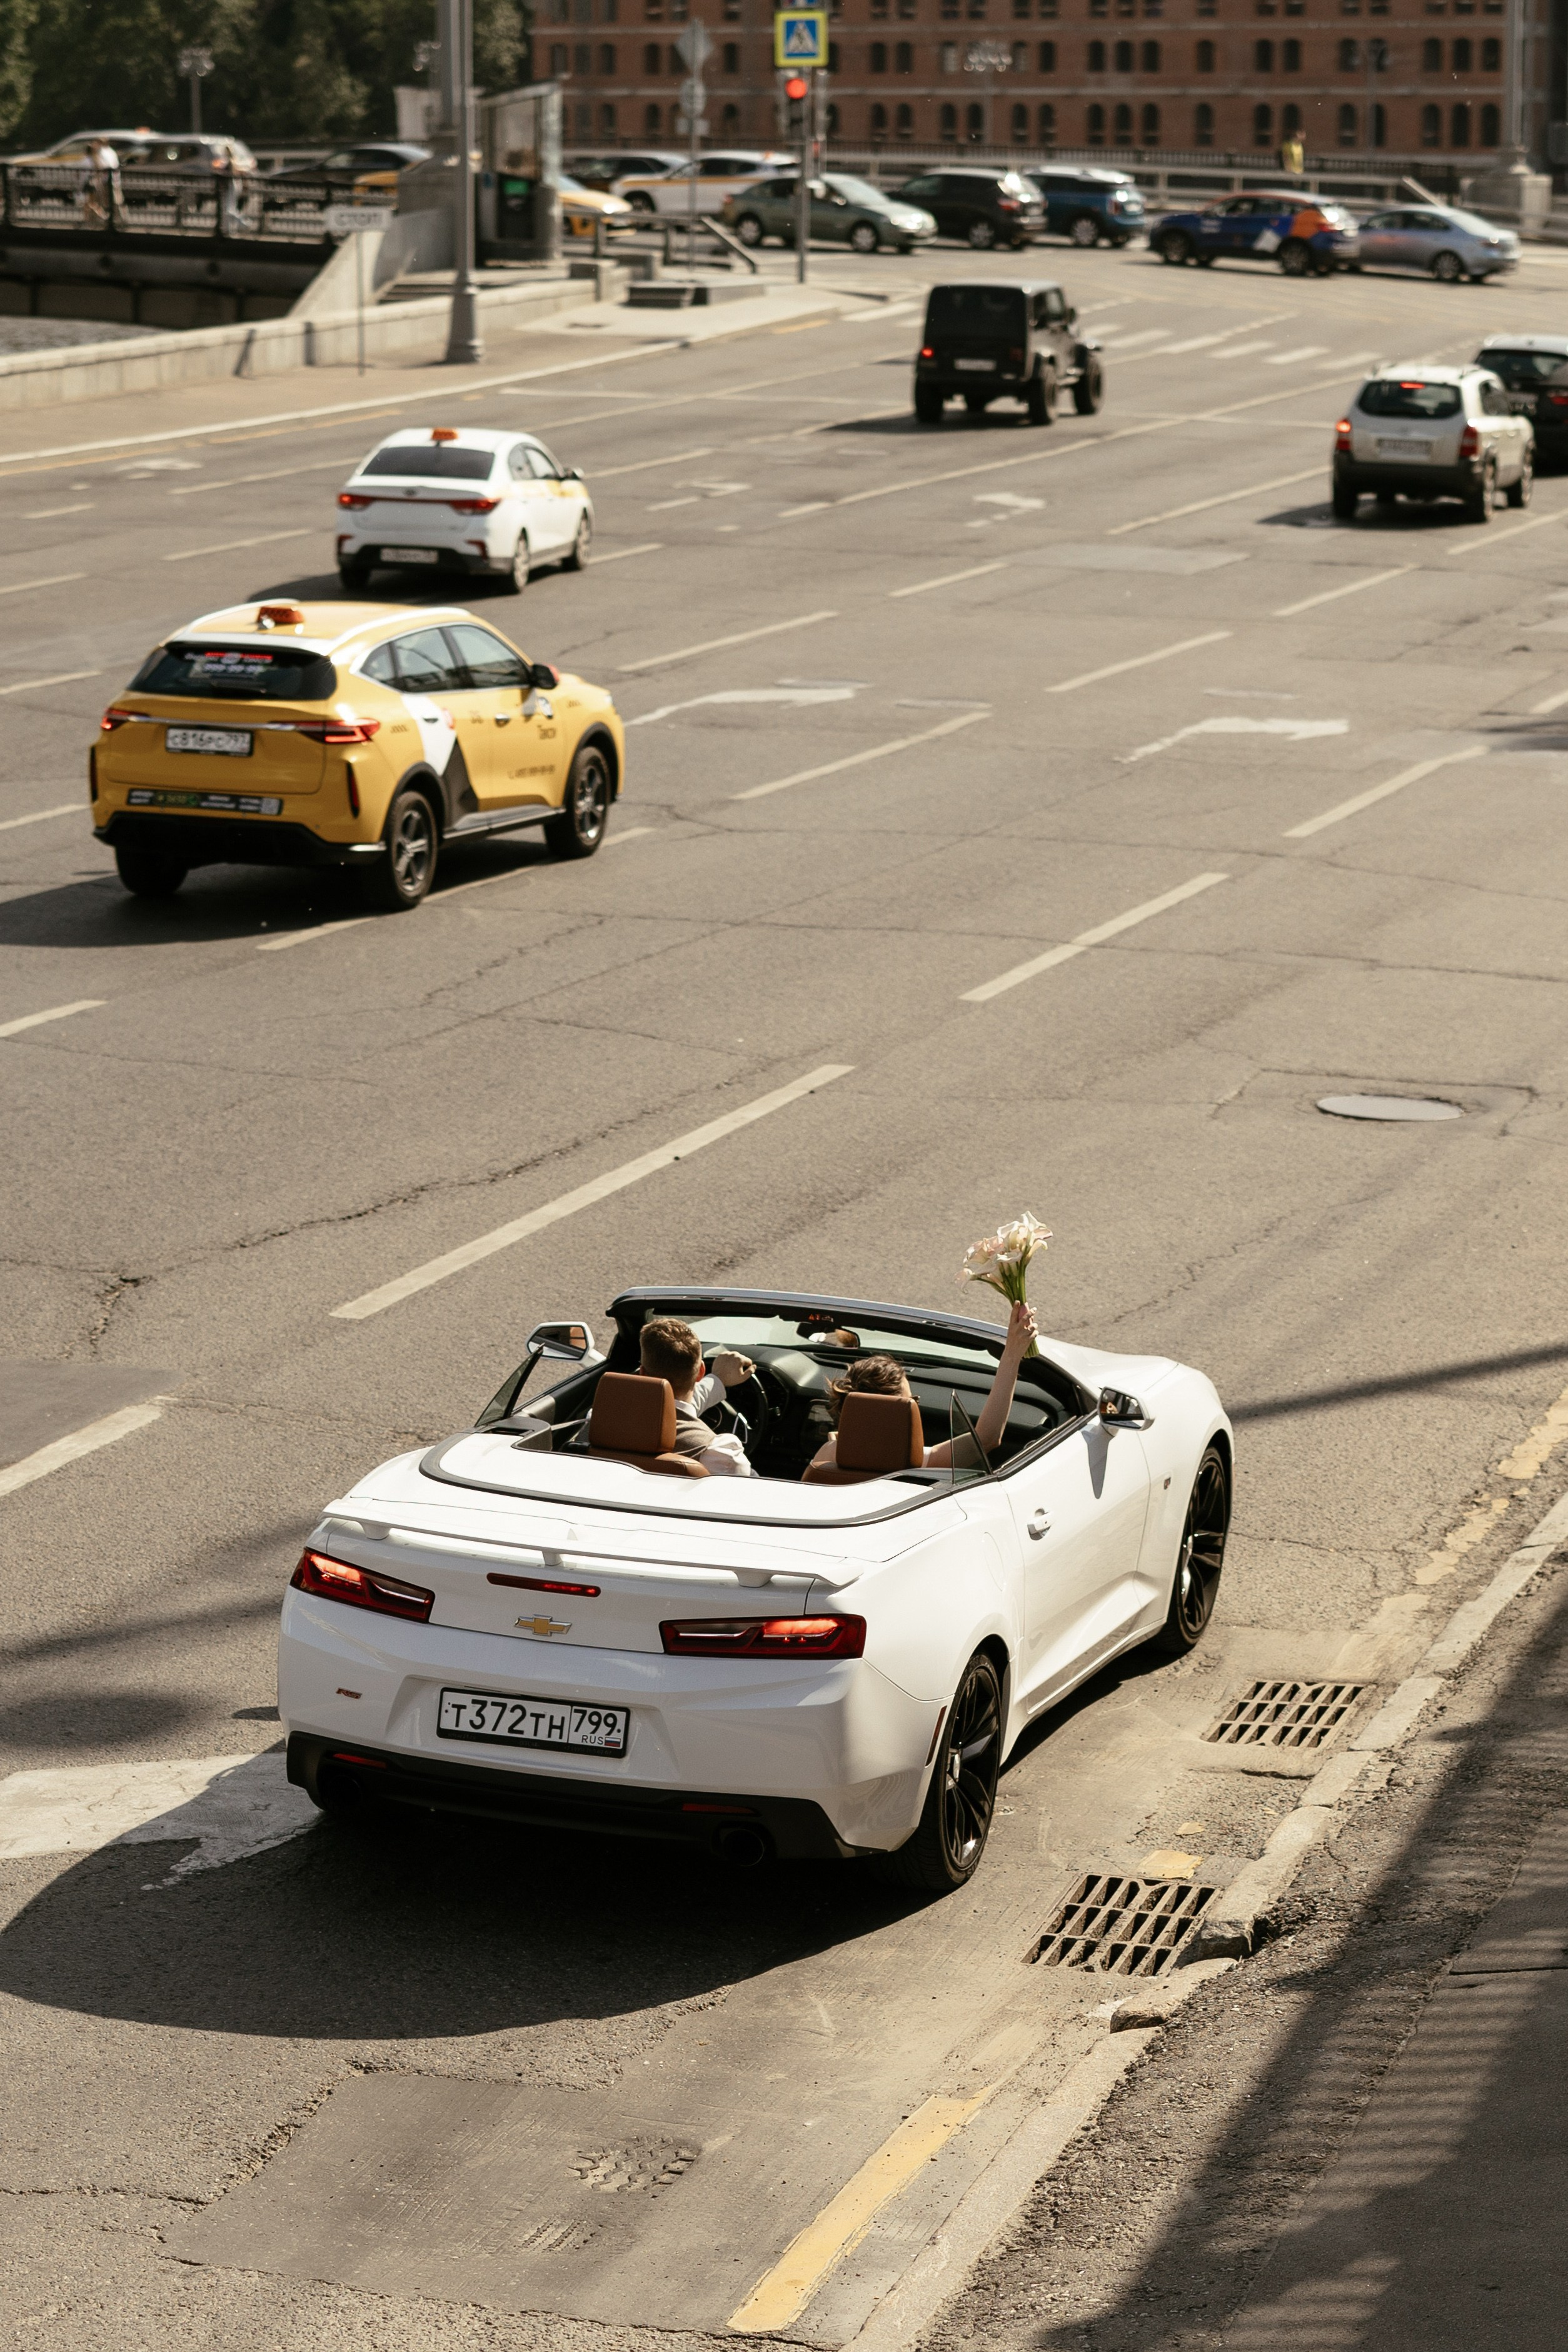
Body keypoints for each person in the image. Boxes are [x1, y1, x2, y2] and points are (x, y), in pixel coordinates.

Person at [805, 1300, 1038, 1479]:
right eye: (911, 1402)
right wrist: (1012, 1354)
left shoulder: (826, 1456)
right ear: (897, 1413)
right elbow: (987, 1437)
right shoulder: (917, 1464)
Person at [638, 1316, 758, 1477]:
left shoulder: (597, 1423)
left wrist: (718, 1380)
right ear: (701, 1371)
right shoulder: (722, 1457)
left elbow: (675, 1406)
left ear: (643, 1373)